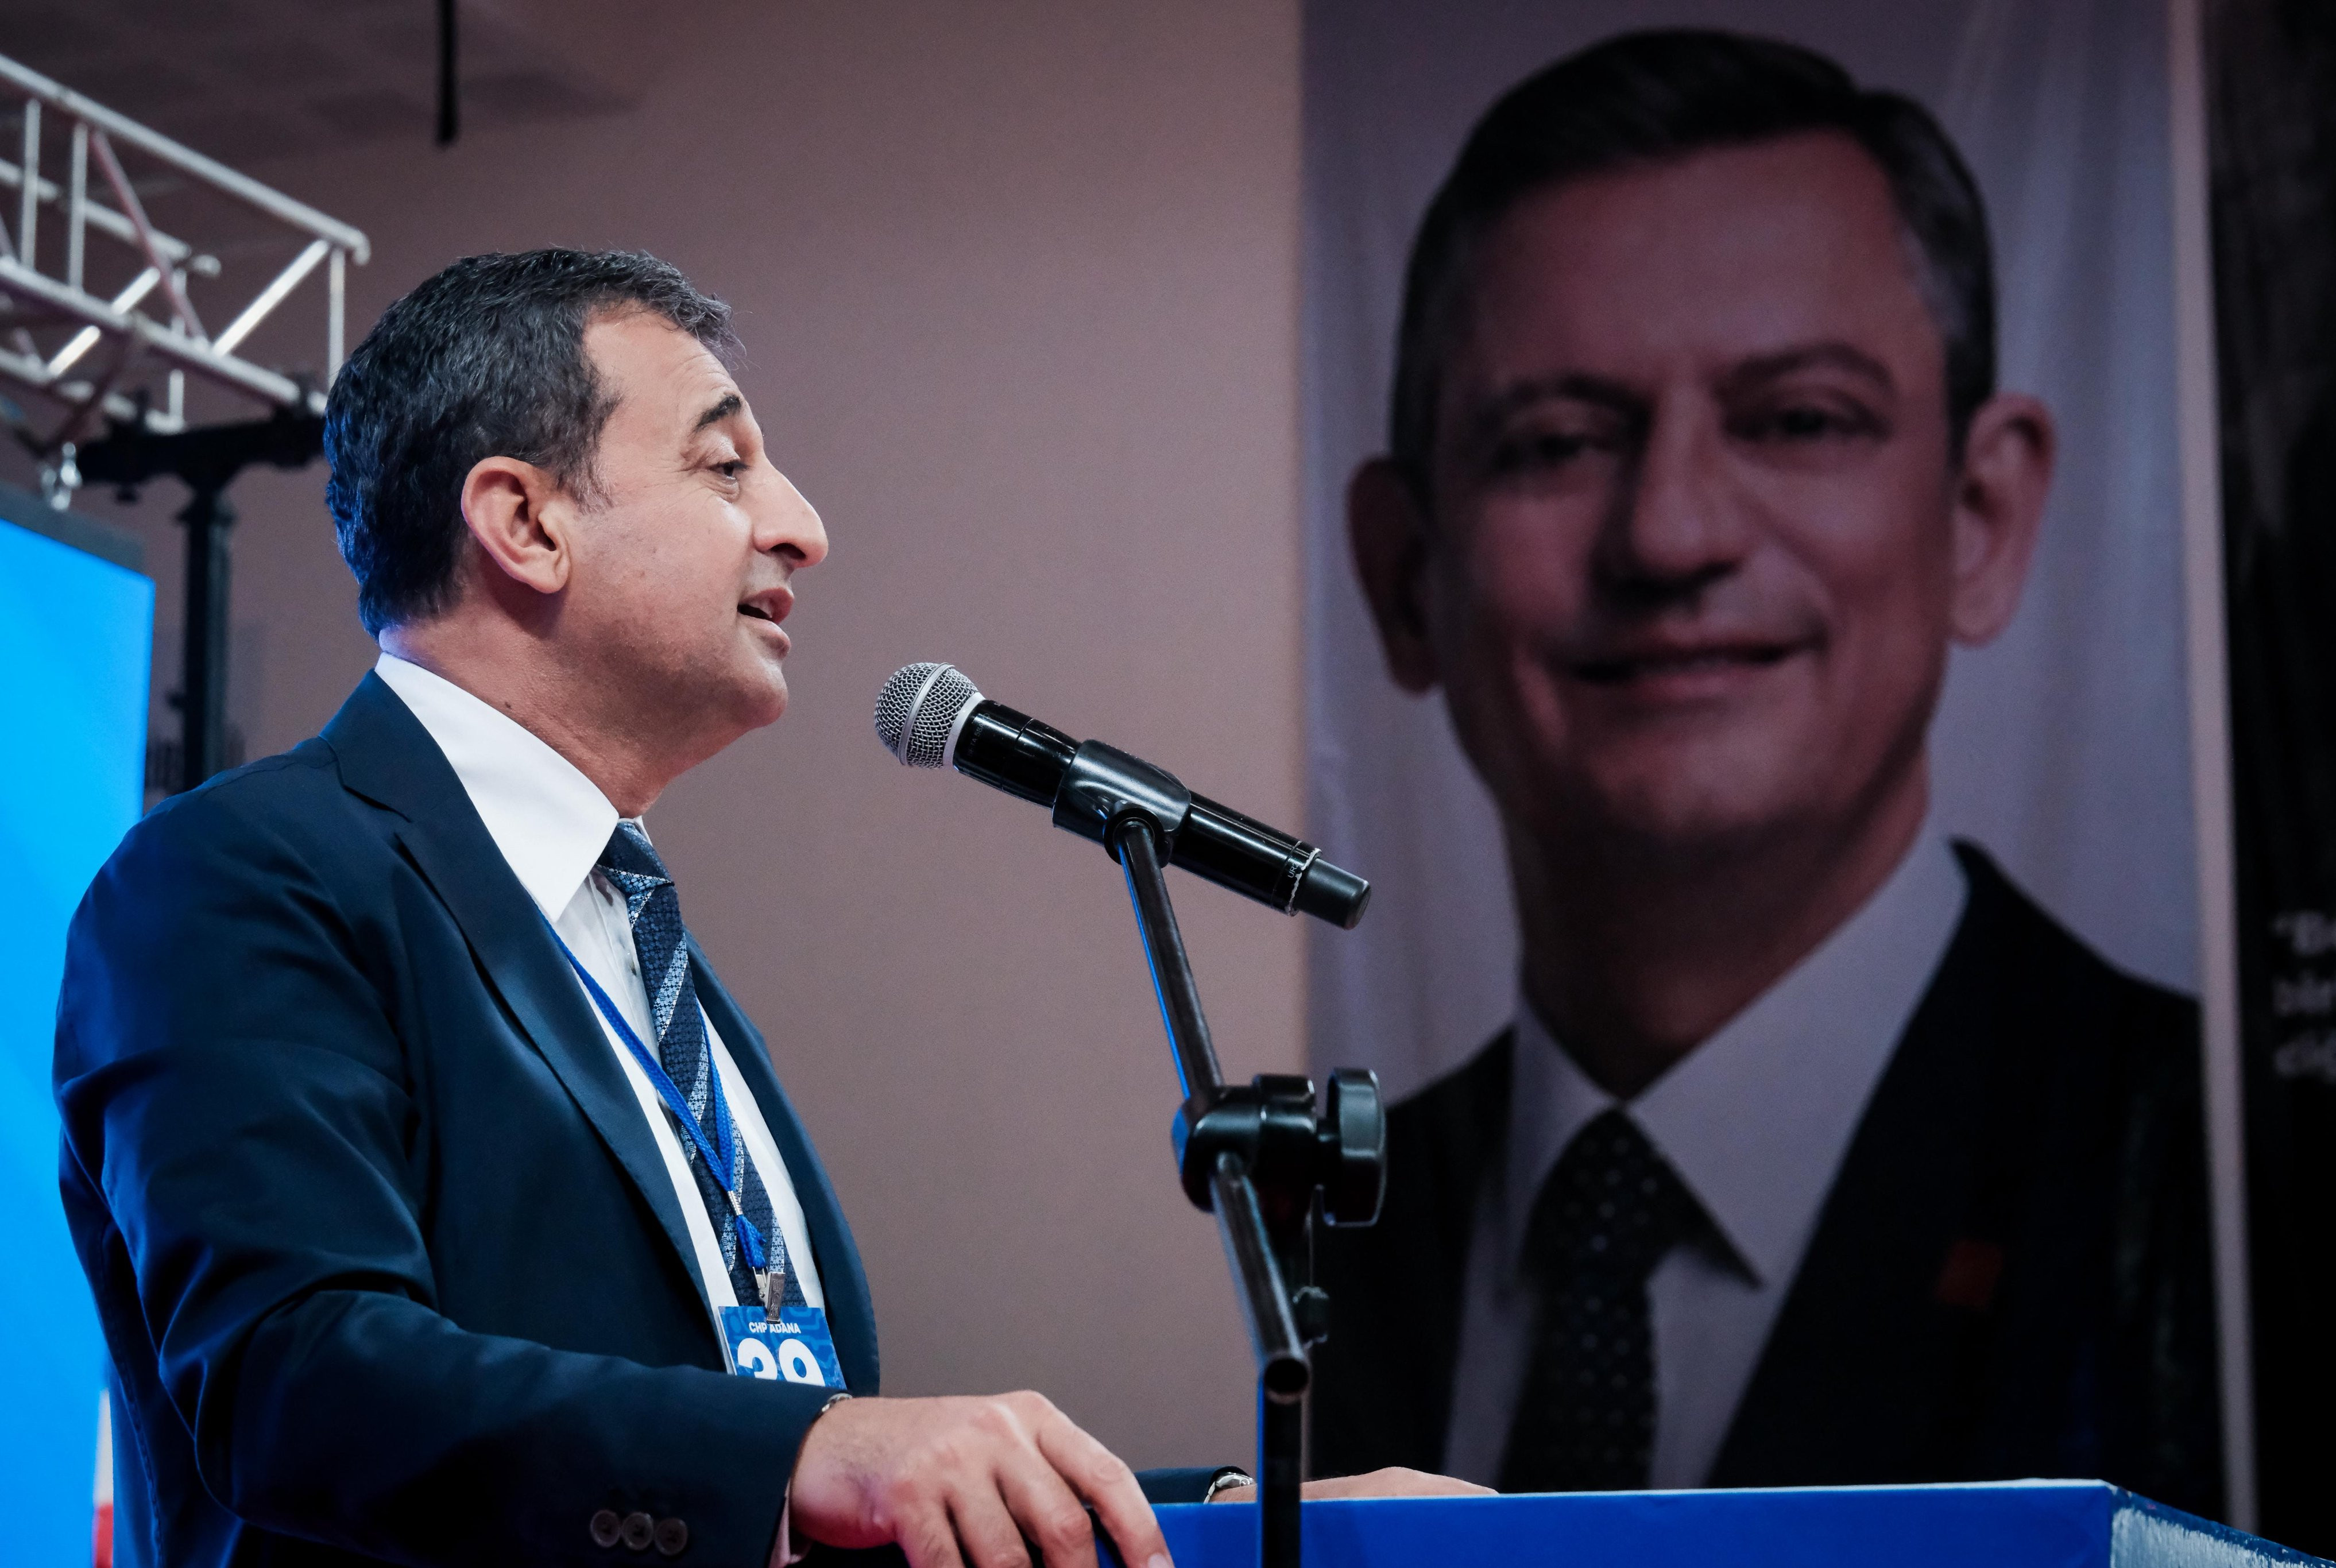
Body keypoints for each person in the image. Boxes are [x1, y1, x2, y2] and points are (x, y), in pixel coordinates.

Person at [56, 249, 1466, 1568]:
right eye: (725, 465)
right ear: (524, 523)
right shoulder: (241, 874)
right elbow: (294, 1377)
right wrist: (798, 1448)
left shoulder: (633, 936)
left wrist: (1237, 1524)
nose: (803, 528)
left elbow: (800, 1473)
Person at [1311, 30, 2221, 1515]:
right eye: (1558, 441)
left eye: (1799, 419)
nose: (1670, 535)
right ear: (1406, 573)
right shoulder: (1328, 1226)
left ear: (1980, 515)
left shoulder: (2222, 1179)